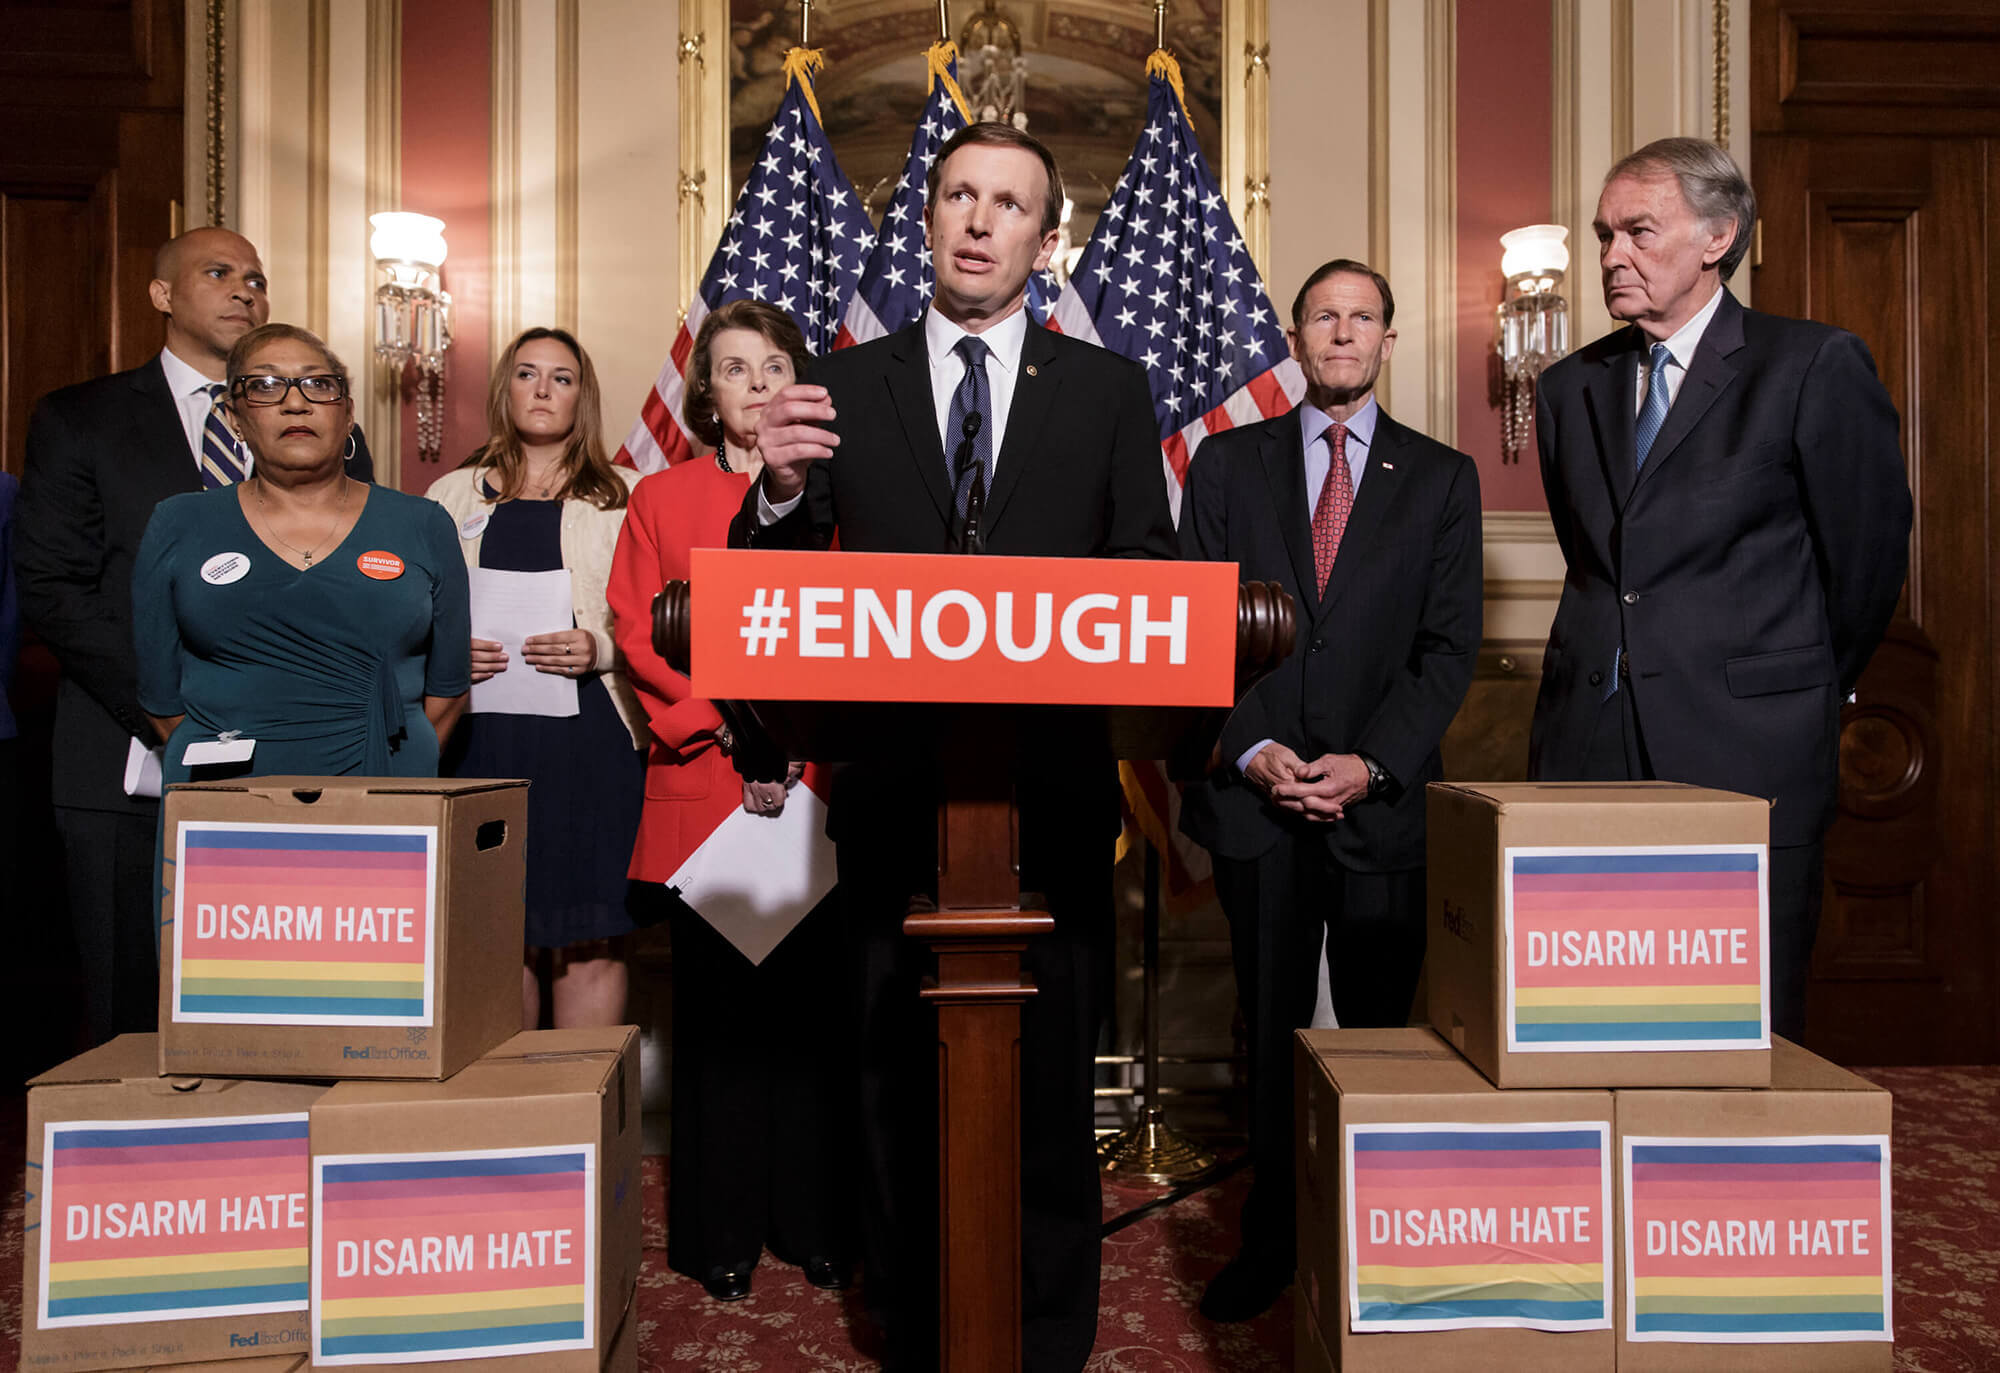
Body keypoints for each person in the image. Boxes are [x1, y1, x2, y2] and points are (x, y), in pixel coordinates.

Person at [733, 122, 1176, 1371]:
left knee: (1043, 1080)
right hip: (889, 793)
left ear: (1046, 237)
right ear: (925, 220)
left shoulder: (1105, 390)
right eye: (959, 197)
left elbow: (1145, 573)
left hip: (1046, 789)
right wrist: (772, 488)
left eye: (1010, 204)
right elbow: (771, 588)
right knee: (890, 1082)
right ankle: (920, 1332)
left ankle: (1044, 1337)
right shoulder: (841, 376)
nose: (981, 222)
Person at [1529, 137, 1912, 1041]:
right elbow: (1599, 563)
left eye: (1637, 231)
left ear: (1717, 236)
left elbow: (1864, 563)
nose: (1612, 254)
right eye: (1603, 235)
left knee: (1742, 1026)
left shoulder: (1812, 365)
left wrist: (1798, 685)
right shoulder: (1566, 386)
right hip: (1589, 746)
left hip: (1749, 751)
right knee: (1587, 1021)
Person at [1177, 258, 1483, 1321]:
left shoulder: (1441, 478)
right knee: (1267, 1036)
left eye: (1362, 318)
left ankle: (1373, 1240)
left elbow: (1447, 650)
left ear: (1386, 341)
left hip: (1379, 807)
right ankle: (1270, 1239)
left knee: (1374, 1032)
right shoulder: (1225, 465)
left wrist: (1370, 763)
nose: (1342, 333)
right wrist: (1254, 750)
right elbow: (1197, 626)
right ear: (1294, 338)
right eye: (1323, 317)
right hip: (1255, 803)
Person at [16, 227, 373, 1047]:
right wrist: (173, 709)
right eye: (219, 273)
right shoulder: (82, 419)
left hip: (291, 762)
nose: (246, 289)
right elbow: (55, 588)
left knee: (271, 1008)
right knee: (132, 1015)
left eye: (256, 276)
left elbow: (350, 584)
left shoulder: (323, 428)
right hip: (128, 762)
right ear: (162, 294)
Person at [607, 299, 850, 1305]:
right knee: (718, 1027)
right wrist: (726, 729)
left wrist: (790, 748)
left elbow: (855, 625)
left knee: (815, 1025)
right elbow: (636, 630)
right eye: (732, 368)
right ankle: (718, 1235)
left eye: (770, 367)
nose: (752, 384)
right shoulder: (659, 499)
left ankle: (815, 1222)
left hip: (812, 793)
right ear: (703, 393)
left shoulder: (841, 500)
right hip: (707, 789)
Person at [426, 328, 646, 1030]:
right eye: (528, 374)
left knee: (591, 935)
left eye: (563, 377)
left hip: (591, 739)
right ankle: (514, 1126)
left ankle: (585, 1122)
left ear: (583, 396)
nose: (544, 389)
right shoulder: (447, 493)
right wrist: (445, 655)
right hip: (481, 739)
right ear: (505, 388)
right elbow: (412, 610)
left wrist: (600, 647)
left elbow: (660, 617)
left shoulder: (628, 495)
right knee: (497, 932)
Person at [132, 323, 465, 784]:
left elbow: (449, 688)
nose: (296, 402)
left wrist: (396, 768)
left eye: (319, 384)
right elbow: (160, 697)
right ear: (235, 417)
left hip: (386, 781)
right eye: (265, 386)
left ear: (347, 415)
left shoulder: (423, 523)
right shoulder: (179, 523)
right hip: (224, 792)